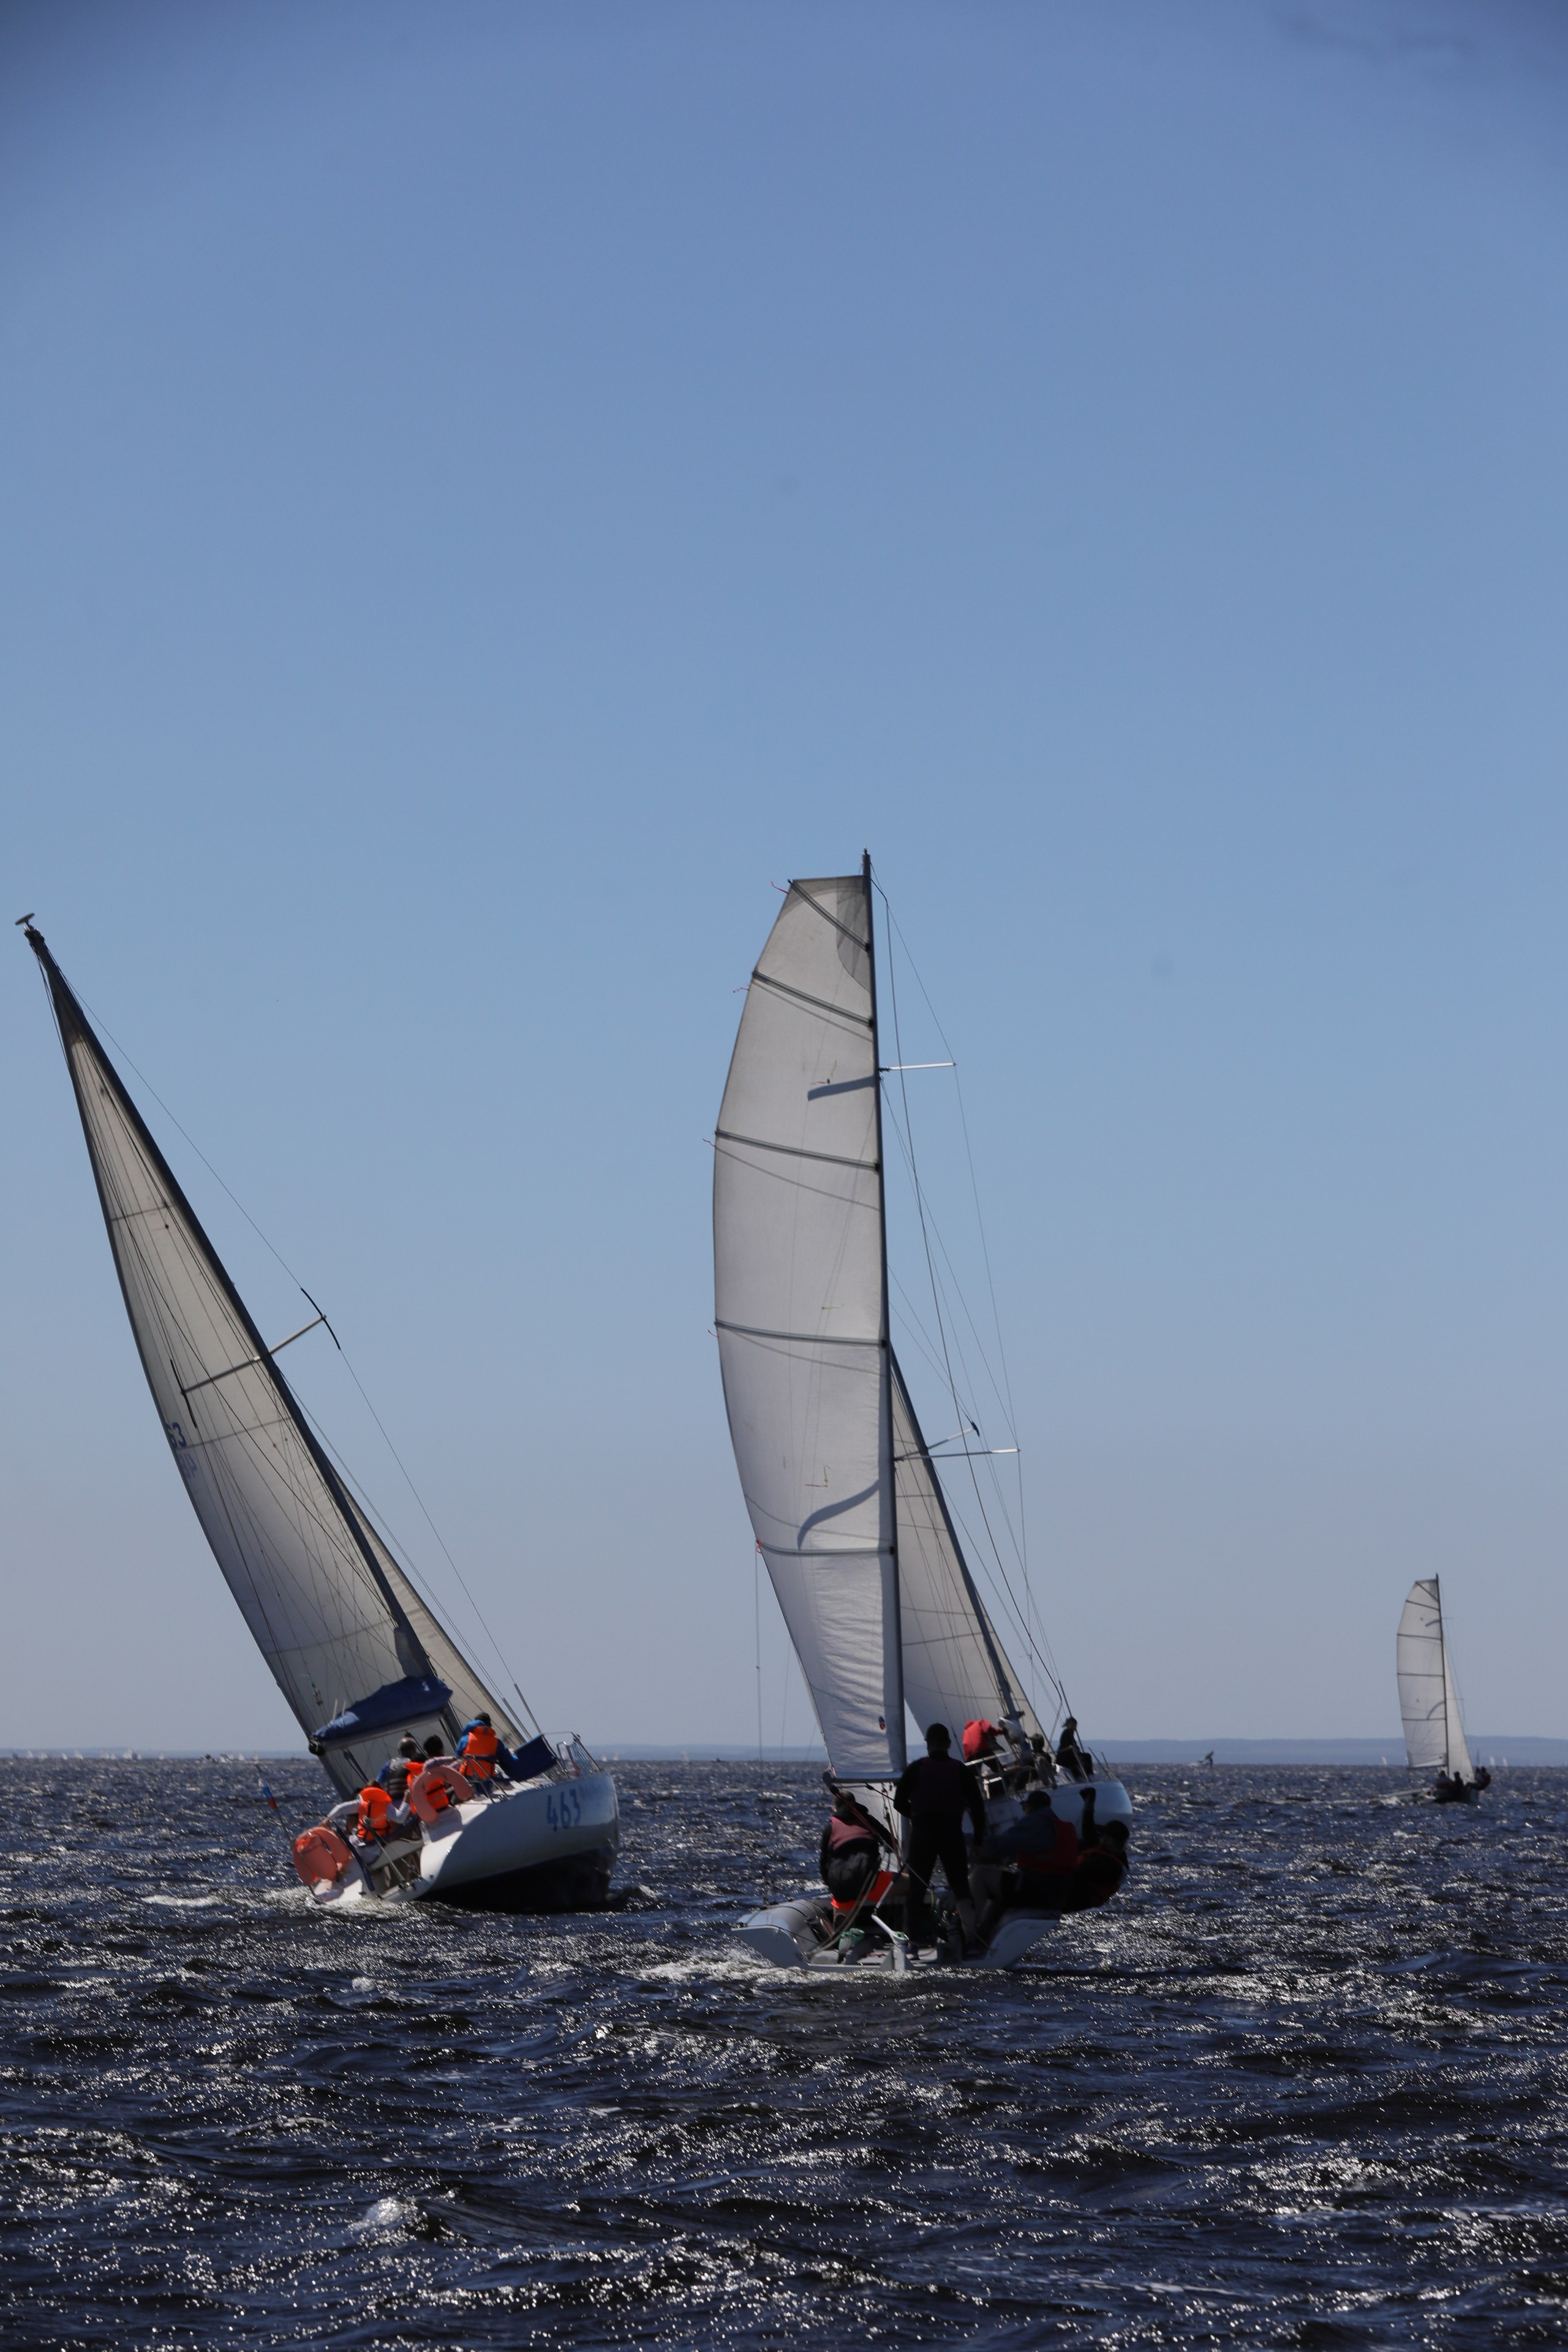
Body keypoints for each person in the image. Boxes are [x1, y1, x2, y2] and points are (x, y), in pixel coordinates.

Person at [894, 1723, 986, 1947]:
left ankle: (913, 1940)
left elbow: (898, 1803)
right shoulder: (962, 1771)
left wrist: (916, 1817)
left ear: (928, 1745)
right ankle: (970, 1937)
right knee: (960, 1885)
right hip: (951, 1833)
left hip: (923, 1834)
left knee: (917, 1887)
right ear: (949, 1744)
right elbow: (978, 1809)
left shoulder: (916, 1769)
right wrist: (978, 1841)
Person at [970, 1789, 1080, 1942]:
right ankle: (982, 1936)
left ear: (1032, 1808)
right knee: (1002, 1891)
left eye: (1025, 1808)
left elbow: (1001, 1845)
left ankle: (967, 1933)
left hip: (1038, 1891)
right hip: (1058, 1894)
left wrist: (969, 1842)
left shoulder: (1037, 1822)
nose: (1025, 1812)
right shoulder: (1065, 1827)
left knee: (981, 1874)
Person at [819, 1792, 886, 1909]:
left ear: (835, 1808)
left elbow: (824, 1862)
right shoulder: (867, 1820)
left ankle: (841, 1918)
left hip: (841, 1884)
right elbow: (890, 1840)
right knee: (909, 1882)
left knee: (840, 1900)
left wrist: (829, 1883)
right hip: (870, 1883)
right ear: (855, 1804)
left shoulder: (830, 1828)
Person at [455, 1713, 518, 1787]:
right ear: (490, 1726)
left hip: (467, 1783)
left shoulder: (465, 1740)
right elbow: (509, 1762)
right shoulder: (497, 1743)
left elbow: (457, 1760)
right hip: (487, 1784)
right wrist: (513, 1754)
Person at [1055, 1716, 1091, 1781]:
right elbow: (1067, 1745)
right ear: (1068, 1725)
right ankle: (1089, 1776)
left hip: (1067, 1756)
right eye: (1072, 1725)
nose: (1073, 1726)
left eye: (1074, 1725)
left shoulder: (1069, 1733)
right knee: (1087, 1757)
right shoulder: (1068, 1732)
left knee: (1082, 1758)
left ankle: (1080, 1776)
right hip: (1065, 1757)